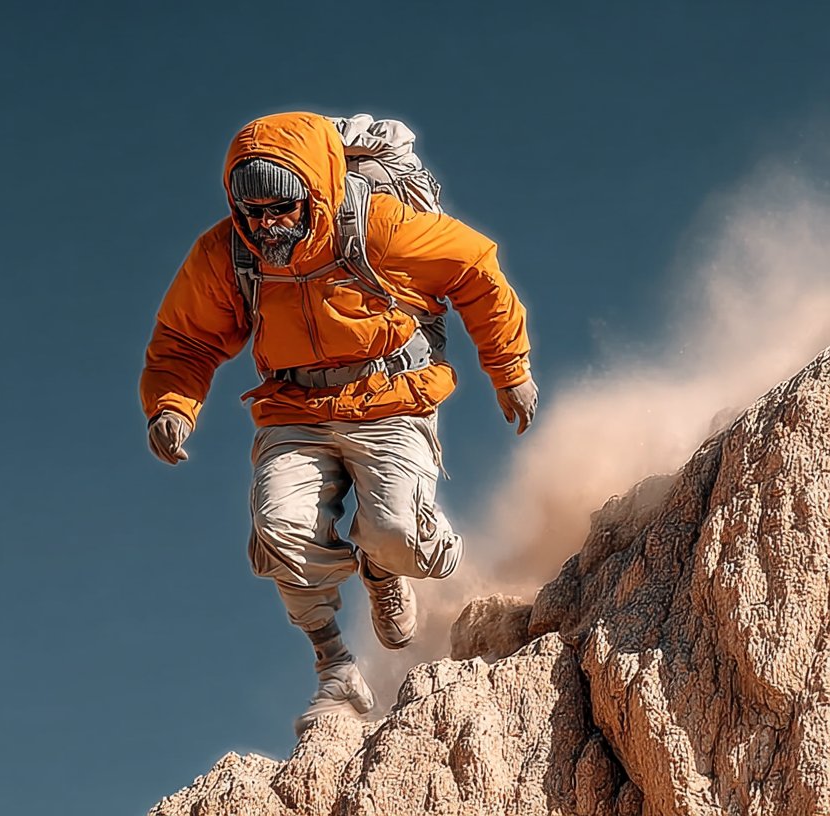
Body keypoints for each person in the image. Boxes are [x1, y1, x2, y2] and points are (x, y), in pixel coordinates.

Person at [139, 111, 537, 735]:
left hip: (390, 399)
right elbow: (184, 339)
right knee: (279, 533)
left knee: (395, 534)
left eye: (282, 206)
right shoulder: (227, 254)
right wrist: (171, 403)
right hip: (293, 413)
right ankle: (335, 668)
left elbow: (475, 271)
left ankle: (383, 568)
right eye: (253, 211)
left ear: (314, 195)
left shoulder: (379, 227)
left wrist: (509, 367)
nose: (266, 223)